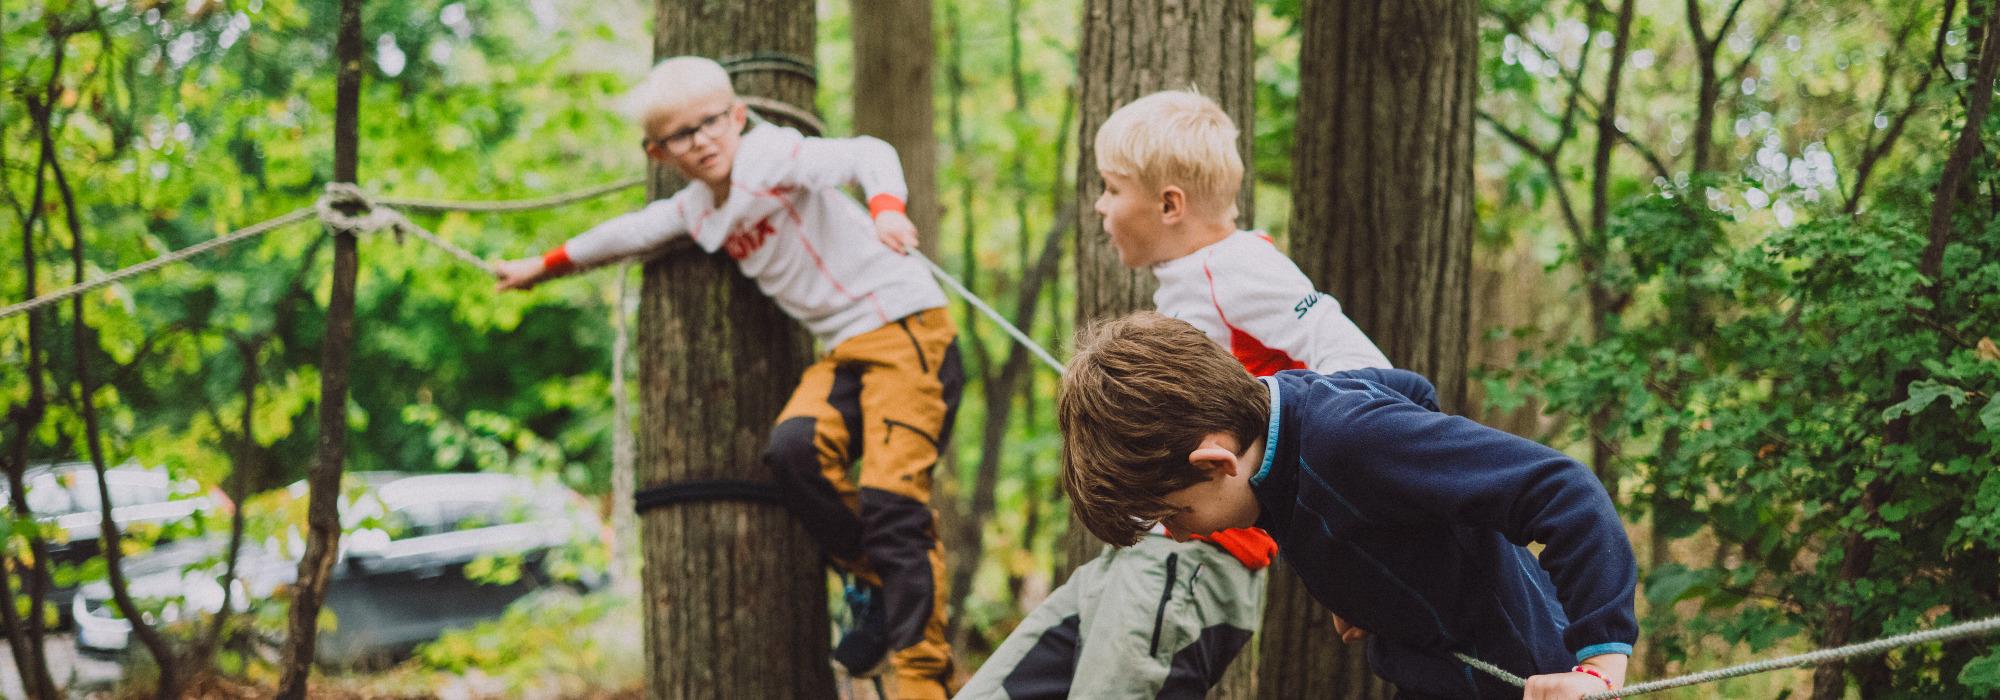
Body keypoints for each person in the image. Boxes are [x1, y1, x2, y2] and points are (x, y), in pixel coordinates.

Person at [491, 56, 960, 699]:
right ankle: (875, 580)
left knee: (891, 502)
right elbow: (627, 232)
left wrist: (885, 208)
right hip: (847, 353)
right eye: (681, 134)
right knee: (795, 451)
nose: (703, 140)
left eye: (712, 122)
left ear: (737, 116)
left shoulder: (773, 158)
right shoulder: (696, 210)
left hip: (908, 329)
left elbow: (865, 153)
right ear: (658, 153)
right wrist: (541, 267)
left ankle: (922, 684)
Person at [961, 90, 1390, 699]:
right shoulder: (1186, 285)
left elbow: (1366, 371)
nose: (1099, 206)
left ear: (1169, 204)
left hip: (1191, 565)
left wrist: (1351, 566)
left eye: (1112, 188)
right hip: (1135, 560)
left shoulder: (1241, 266)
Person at [1060, 311, 1640, 700]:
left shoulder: (1350, 440)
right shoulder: (1277, 421)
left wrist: (1598, 667)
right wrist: (1377, 567)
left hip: (1529, 675)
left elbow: (1565, 491)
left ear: (1215, 464)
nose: (1180, 535)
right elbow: (1409, 388)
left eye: (1174, 514)